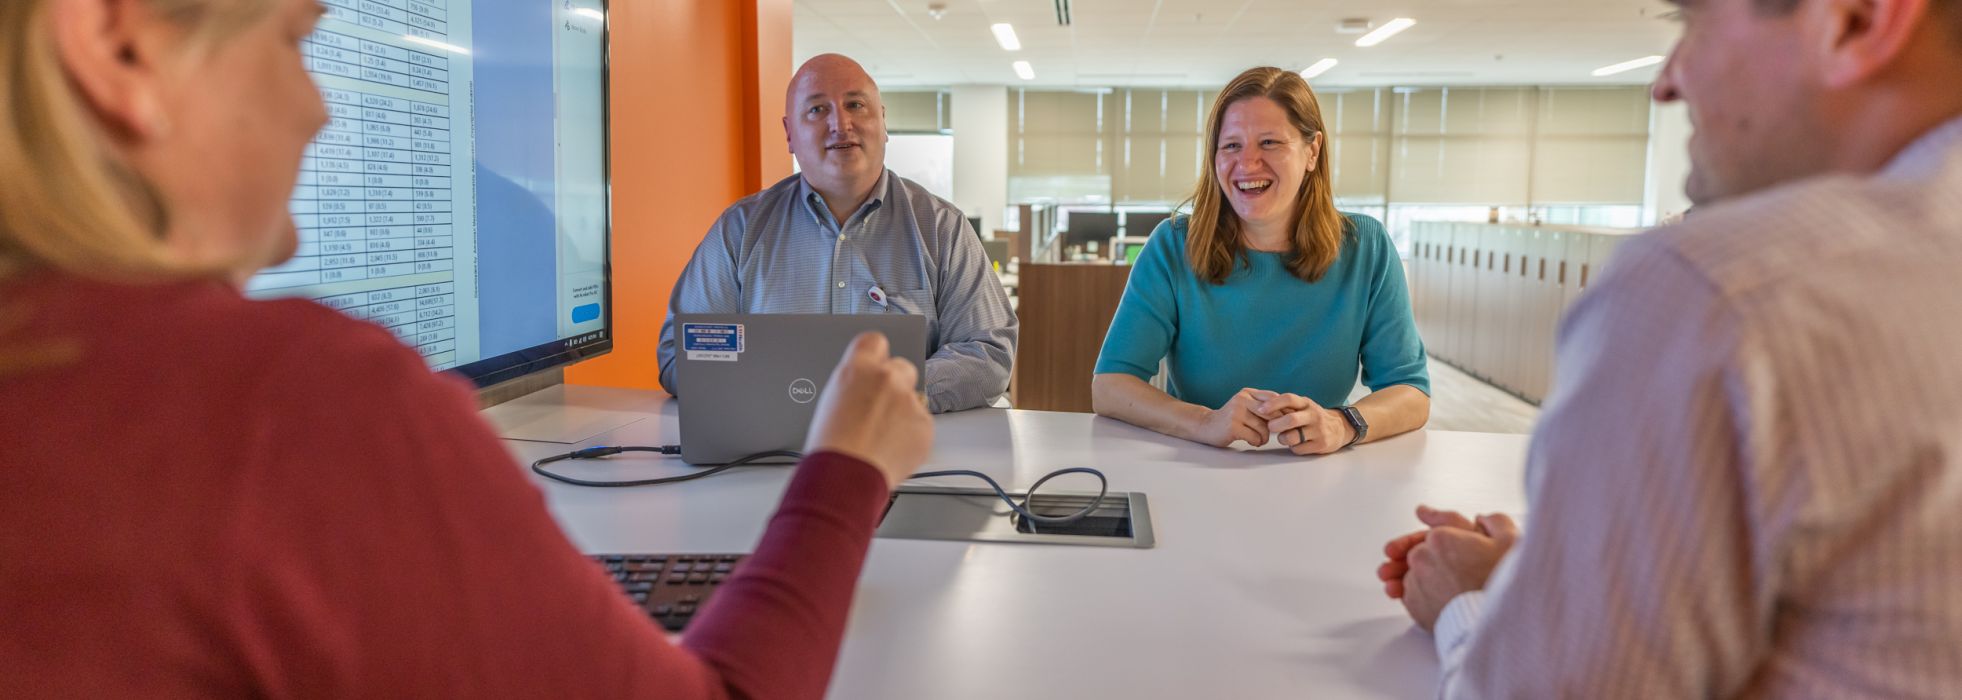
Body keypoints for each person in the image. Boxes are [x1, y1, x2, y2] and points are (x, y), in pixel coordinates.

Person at [0, 0, 935, 696]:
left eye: (856, 106)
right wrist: (847, 470)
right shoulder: (285, 402)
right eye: (291, 42)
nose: (319, 111)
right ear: (116, 45)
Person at [1375, 0, 1962, 694]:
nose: (1666, 82)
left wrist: (1468, 602)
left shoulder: (1722, 288)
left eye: (1694, 24)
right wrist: (1585, 591)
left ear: (1856, 20)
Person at [1090, 67, 1430, 455]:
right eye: (1231, 145)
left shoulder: (1365, 247)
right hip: (1201, 465)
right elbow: (1110, 386)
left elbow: (1410, 391)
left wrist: (1341, 424)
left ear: (1312, 151)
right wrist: (1205, 422)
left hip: (1319, 470)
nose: (1248, 163)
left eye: (1269, 142)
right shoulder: (1173, 245)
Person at [656, 54, 1015, 414]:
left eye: (855, 105)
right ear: (789, 134)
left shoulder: (942, 228)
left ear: (883, 122)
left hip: (902, 438)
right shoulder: (739, 231)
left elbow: (988, 353)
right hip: (766, 445)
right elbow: (678, 356)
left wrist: (891, 391)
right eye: (817, 110)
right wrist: (778, 388)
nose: (840, 124)